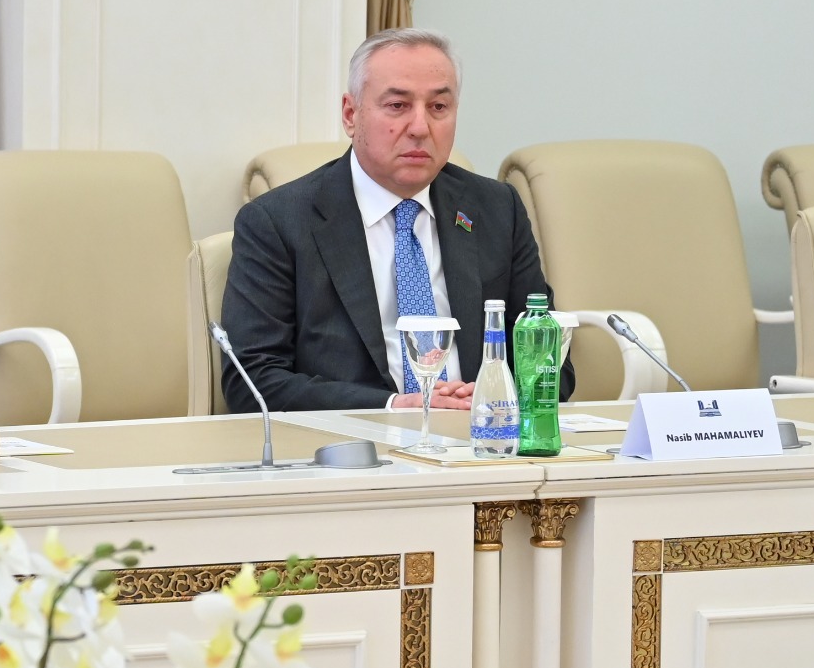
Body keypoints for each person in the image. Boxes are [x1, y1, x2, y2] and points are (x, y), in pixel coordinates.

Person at [220, 27, 572, 413]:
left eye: (439, 107)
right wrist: (395, 406)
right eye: (398, 106)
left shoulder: (496, 209)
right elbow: (251, 381)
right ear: (351, 115)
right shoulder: (278, 222)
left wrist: (492, 399)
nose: (420, 128)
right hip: (353, 441)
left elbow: (551, 364)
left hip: (482, 433)